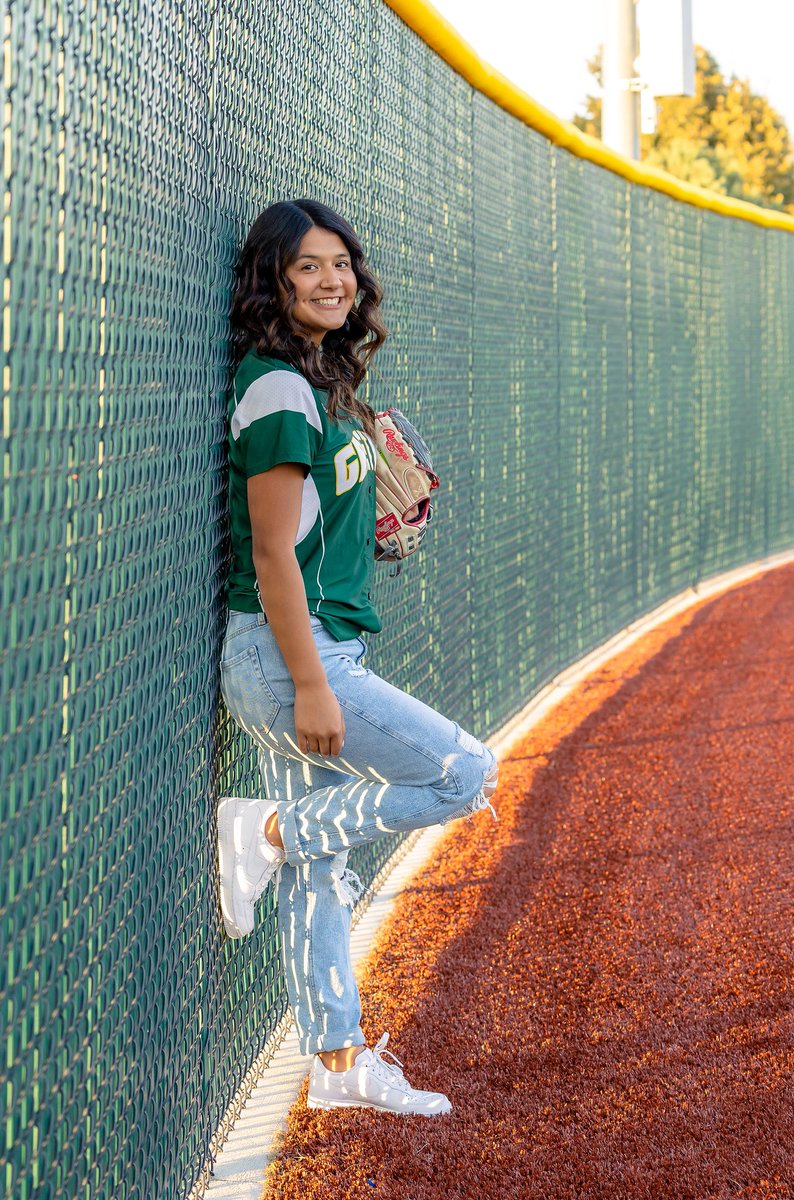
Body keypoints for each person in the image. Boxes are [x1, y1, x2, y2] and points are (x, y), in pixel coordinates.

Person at [216, 197, 500, 1117]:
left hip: (308, 646)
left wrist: (369, 529)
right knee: (463, 772)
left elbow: (308, 537)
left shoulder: (320, 388)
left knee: (317, 875)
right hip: (292, 658)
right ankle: (262, 833)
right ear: (273, 281)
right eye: (308, 267)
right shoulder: (276, 390)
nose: (333, 280)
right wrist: (308, 685)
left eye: (341, 263)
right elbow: (268, 556)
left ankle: (336, 1065)